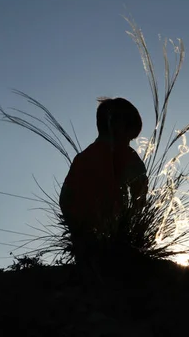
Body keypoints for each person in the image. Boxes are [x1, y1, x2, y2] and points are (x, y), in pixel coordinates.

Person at [59, 97, 148, 264]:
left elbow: (65, 197)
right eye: (129, 137)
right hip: (113, 239)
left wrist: (76, 228)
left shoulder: (82, 157)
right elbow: (140, 195)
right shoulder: (126, 156)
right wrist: (132, 226)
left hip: (82, 236)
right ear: (119, 127)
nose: (129, 143)